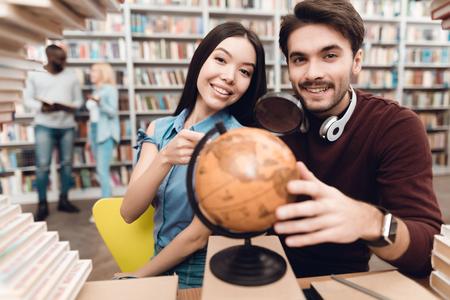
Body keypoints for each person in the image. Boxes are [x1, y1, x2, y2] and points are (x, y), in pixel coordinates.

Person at [270, 0, 443, 278]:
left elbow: (427, 250)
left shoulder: (394, 126)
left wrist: (370, 221)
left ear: (356, 61)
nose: (313, 73)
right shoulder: (271, 117)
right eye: (299, 59)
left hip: (340, 278)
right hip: (260, 271)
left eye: (329, 56)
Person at [116, 22, 267, 289]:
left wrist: (137, 276)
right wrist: (165, 157)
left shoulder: (240, 143)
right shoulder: (159, 129)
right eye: (220, 59)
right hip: (159, 262)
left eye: (244, 71)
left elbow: (197, 238)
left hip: (204, 271)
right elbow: (129, 211)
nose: (230, 76)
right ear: (200, 59)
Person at [23, 45, 83, 221]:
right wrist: (42, 107)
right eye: (60, 59)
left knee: (66, 163)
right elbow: (27, 99)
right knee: (42, 165)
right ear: (49, 57)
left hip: (67, 125)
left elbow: (78, 100)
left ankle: (64, 200)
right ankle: (42, 203)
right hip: (44, 124)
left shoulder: (71, 76)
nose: (64, 62)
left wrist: (69, 105)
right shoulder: (35, 74)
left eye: (65, 58)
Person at [84, 63, 120, 223]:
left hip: (105, 132)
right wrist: (88, 138)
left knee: (102, 170)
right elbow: (94, 116)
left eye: (94, 71)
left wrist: (100, 102)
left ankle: (103, 209)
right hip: (94, 131)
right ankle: (109, 200)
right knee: (100, 170)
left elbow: (113, 112)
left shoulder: (110, 90)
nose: (90, 73)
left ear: (102, 73)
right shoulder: (95, 90)